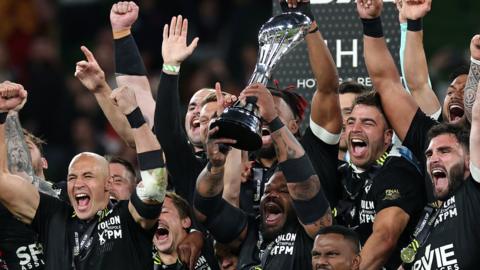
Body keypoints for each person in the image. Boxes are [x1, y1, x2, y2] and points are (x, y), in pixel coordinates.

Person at [0, 85, 167, 269]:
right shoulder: (54, 217)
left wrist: (134, 114)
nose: (78, 183)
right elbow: (5, 179)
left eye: (88, 176)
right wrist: (2, 114)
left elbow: (155, 183)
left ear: (108, 184)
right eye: (72, 178)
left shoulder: (127, 217)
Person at [194, 83, 333, 270]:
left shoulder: (312, 233)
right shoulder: (251, 229)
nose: (271, 194)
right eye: (267, 190)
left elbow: (304, 187)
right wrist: (217, 164)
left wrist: (273, 119)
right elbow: (205, 208)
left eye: (283, 190)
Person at [335, 90, 426, 269]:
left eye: (367, 123)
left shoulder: (397, 171)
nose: (355, 129)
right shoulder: (346, 173)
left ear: (387, 136)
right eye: (351, 122)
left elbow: (385, 238)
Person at [0, 81, 57, 270]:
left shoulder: (68, 193)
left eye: (27, 146)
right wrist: (5, 113)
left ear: (44, 161)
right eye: (12, 147)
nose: (18, 150)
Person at [153, 192, 219, 270]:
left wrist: (199, 236)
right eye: (151, 214)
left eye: (164, 211)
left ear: (185, 221)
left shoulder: (211, 247)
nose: (155, 218)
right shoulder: (142, 263)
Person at [338, 81, 370, 161]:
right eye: (335, 112)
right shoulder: (313, 166)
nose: (340, 121)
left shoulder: (388, 165)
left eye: (348, 112)